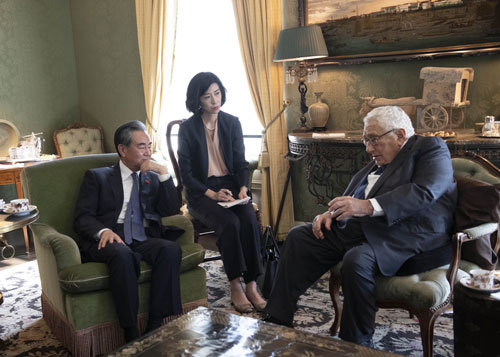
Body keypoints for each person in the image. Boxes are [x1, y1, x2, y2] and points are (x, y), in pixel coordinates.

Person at [263, 106, 457, 347]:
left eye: (374, 140)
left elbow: (424, 192)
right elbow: (358, 193)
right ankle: (277, 319)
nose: (368, 148)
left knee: (357, 259)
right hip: (366, 230)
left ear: (399, 135)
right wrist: (330, 214)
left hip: (406, 236)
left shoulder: (431, 148)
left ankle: (355, 343)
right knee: (300, 236)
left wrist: (365, 207)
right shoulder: (380, 159)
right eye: (366, 140)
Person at [74, 120, 183, 342]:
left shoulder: (152, 176)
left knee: (170, 249)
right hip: (111, 237)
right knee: (122, 255)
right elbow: (82, 217)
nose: (148, 151)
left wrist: (163, 173)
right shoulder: (98, 177)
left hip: (142, 235)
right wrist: (102, 230)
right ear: (123, 150)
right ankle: (130, 330)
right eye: (142, 146)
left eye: (149, 145)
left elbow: (171, 208)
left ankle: (154, 325)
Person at [177, 72, 266, 313]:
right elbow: (187, 175)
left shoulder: (232, 122)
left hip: (231, 185)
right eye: (207, 96)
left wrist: (243, 188)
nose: (214, 100)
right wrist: (212, 194)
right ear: (198, 100)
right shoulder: (188, 129)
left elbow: (240, 163)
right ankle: (235, 284)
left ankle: (252, 284)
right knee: (229, 223)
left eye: (217, 93)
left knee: (247, 219)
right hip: (201, 192)